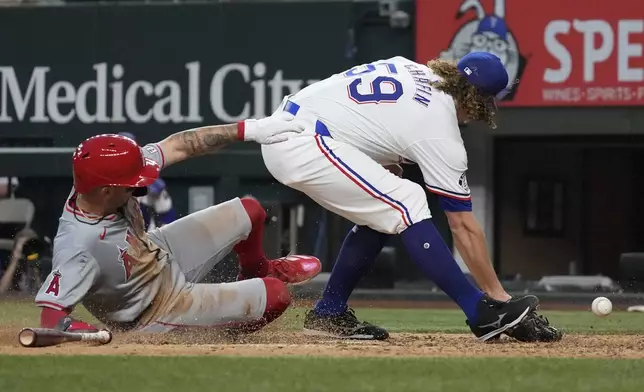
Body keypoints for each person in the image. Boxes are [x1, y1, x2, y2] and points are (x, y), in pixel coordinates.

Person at [261, 52, 562, 342]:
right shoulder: (439, 129)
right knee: (408, 201)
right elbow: (462, 226)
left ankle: (329, 313)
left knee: (385, 204)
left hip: (290, 125)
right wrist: (499, 297)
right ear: (479, 100)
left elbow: (369, 119)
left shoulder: (412, 68)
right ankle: (480, 312)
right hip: (301, 142)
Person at [34, 116, 322, 334]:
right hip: (153, 308)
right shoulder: (80, 246)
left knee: (251, 211)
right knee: (276, 295)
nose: (141, 186)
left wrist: (247, 129)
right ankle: (216, 334)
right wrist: (86, 333)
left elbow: (178, 145)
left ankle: (259, 271)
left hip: (154, 251)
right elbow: (51, 317)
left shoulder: (100, 180)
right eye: (132, 184)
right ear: (106, 191)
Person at [118, 132, 176, 231]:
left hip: (144, 239)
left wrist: (161, 239)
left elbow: (167, 215)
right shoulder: (101, 182)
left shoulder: (150, 182)